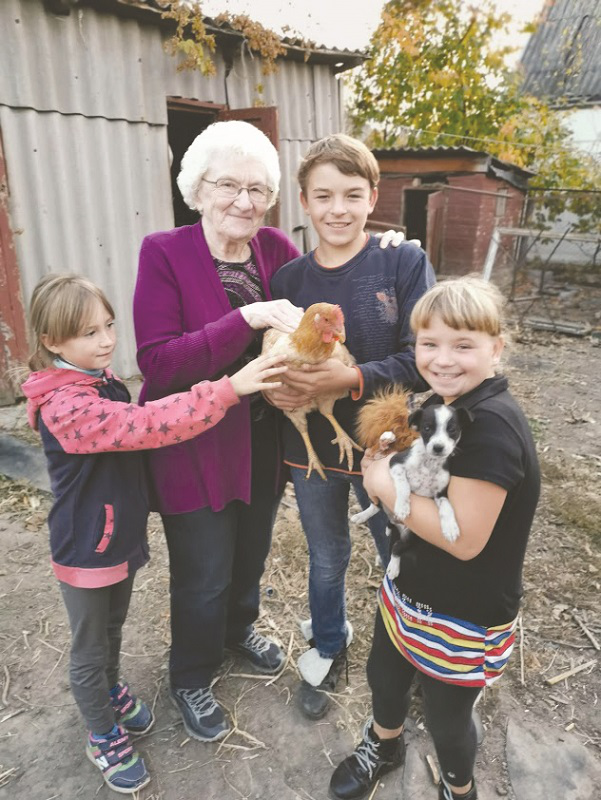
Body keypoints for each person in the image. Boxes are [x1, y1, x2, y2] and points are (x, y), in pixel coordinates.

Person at [133, 121, 407, 741]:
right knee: (203, 569)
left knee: (251, 553)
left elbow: (335, 268)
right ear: (197, 189)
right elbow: (159, 362)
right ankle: (192, 676)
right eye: (227, 185)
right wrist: (246, 316)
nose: (244, 201)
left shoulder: (276, 251)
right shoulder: (164, 252)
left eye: (258, 188)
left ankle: (238, 630)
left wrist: (388, 250)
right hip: (194, 442)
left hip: (260, 438)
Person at [21, 274, 287, 794]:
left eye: (109, 325)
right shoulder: (69, 406)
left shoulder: (96, 379)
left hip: (112, 537)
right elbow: (149, 424)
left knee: (113, 627)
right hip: (86, 547)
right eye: (87, 333)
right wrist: (230, 388)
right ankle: (101, 733)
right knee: (88, 648)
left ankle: (112, 690)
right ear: (52, 343)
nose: (105, 341)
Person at [328, 277, 541, 800]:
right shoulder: (445, 401)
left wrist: (378, 483)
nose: (443, 359)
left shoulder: (489, 427)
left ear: (497, 347)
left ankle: (458, 786)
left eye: (463, 345)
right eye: (429, 343)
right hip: (412, 588)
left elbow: (465, 540)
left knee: (448, 719)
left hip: (464, 608)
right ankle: (385, 742)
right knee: (385, 673)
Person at [267, 134, 436, 720]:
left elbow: (423, 357)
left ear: (373, 198)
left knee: (401, 550)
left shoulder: (401, 261)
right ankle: (330, 644)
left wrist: (343, 380)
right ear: (304, 202)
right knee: (326, 553)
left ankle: (413, 655)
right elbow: (274, 360)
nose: (337, 209)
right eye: (323, 196)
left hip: (386, 441)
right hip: (307, 445)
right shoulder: (287, 279)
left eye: (351, 194)